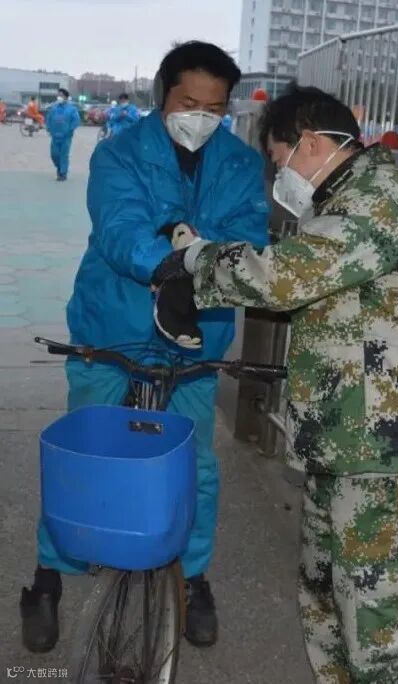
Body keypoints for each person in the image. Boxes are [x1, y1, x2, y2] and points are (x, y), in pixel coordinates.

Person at [152, 86, 398, 683]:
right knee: (329, 608)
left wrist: (195, 261)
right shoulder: (344, 202)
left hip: (385, 459)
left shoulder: (380, 200)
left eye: (278, 159)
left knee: (384, 628)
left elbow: (283, 278)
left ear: (311, 143)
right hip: (345, 444)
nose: (278, 176)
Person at [20, 41, 269, 654]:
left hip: (196, 337)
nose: (200, 117)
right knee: (86, 454)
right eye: (189, 102)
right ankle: (50, 573)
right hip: (114, 328)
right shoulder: (120, 152)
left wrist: (202, 262)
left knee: (194, 465)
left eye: (214, 108)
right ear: (164, 95)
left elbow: (247, 235)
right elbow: (119, 227)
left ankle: (193, 575)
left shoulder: (240, 164)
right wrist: (169, 264)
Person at [45, 88, 80, 181]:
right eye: (58, 95)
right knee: (54, 155)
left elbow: (76, 121)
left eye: (61, 95)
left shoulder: (72, 109)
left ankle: (63, 173)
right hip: (55, 136)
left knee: (64, 155)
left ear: (66, 97)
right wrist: (48, 128)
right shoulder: (54, 108)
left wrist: (70, 130)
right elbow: (49, 119)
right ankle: (60, 167)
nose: (59, 97)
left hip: (66, 137)